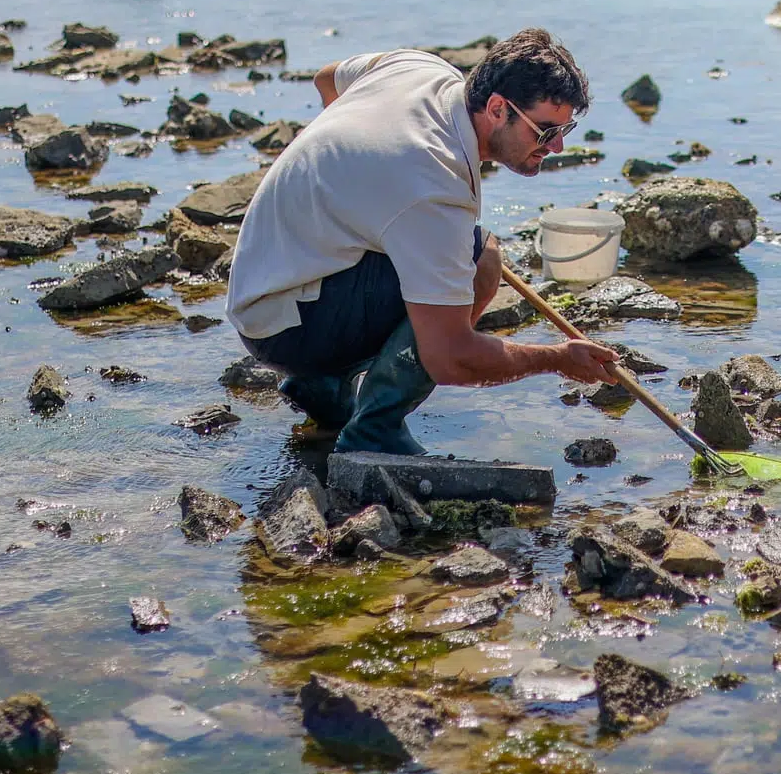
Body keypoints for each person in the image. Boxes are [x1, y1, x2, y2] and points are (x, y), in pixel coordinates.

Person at [228, 29, 620, 456]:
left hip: (269, 281)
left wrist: (349, 171)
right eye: (544, 131)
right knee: (480, 259)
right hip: (284, 326)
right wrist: (556, 358)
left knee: (454, 256)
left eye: (565, 129)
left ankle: (323, 385)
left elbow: (328, 79)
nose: (557, 146)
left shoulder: (418, 68)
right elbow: (450, 358)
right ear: (495, 108)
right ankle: (374, 428)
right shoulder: (433, 188)